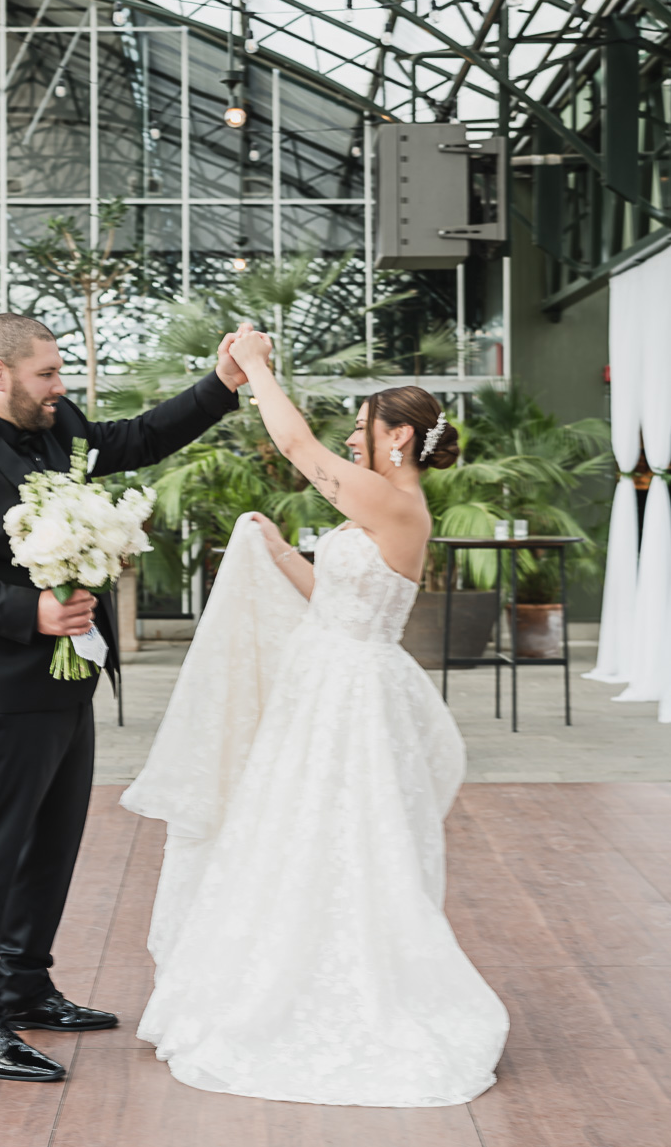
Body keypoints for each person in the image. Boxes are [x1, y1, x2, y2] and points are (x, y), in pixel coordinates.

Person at [122, 331, 509, 1106]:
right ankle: (286, 963)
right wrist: (274, 549)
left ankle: (347, 988)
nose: (348, 437)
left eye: (361, 426)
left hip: (354, 699)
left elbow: (295, 442)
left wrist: (257, 366)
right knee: (297, 831)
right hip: (321, 684)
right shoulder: (375, 507)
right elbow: (330, 593)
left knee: (350, 837)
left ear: (397, 436)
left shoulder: (394, 501)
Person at [0, 311, 252, 1082]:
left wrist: (221, 385)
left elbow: (139, 439)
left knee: (52, 845)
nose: (61, 388)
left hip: (67, 678)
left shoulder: (61, 430)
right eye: (47, 375)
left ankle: (25, 987)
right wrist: (32, 613)